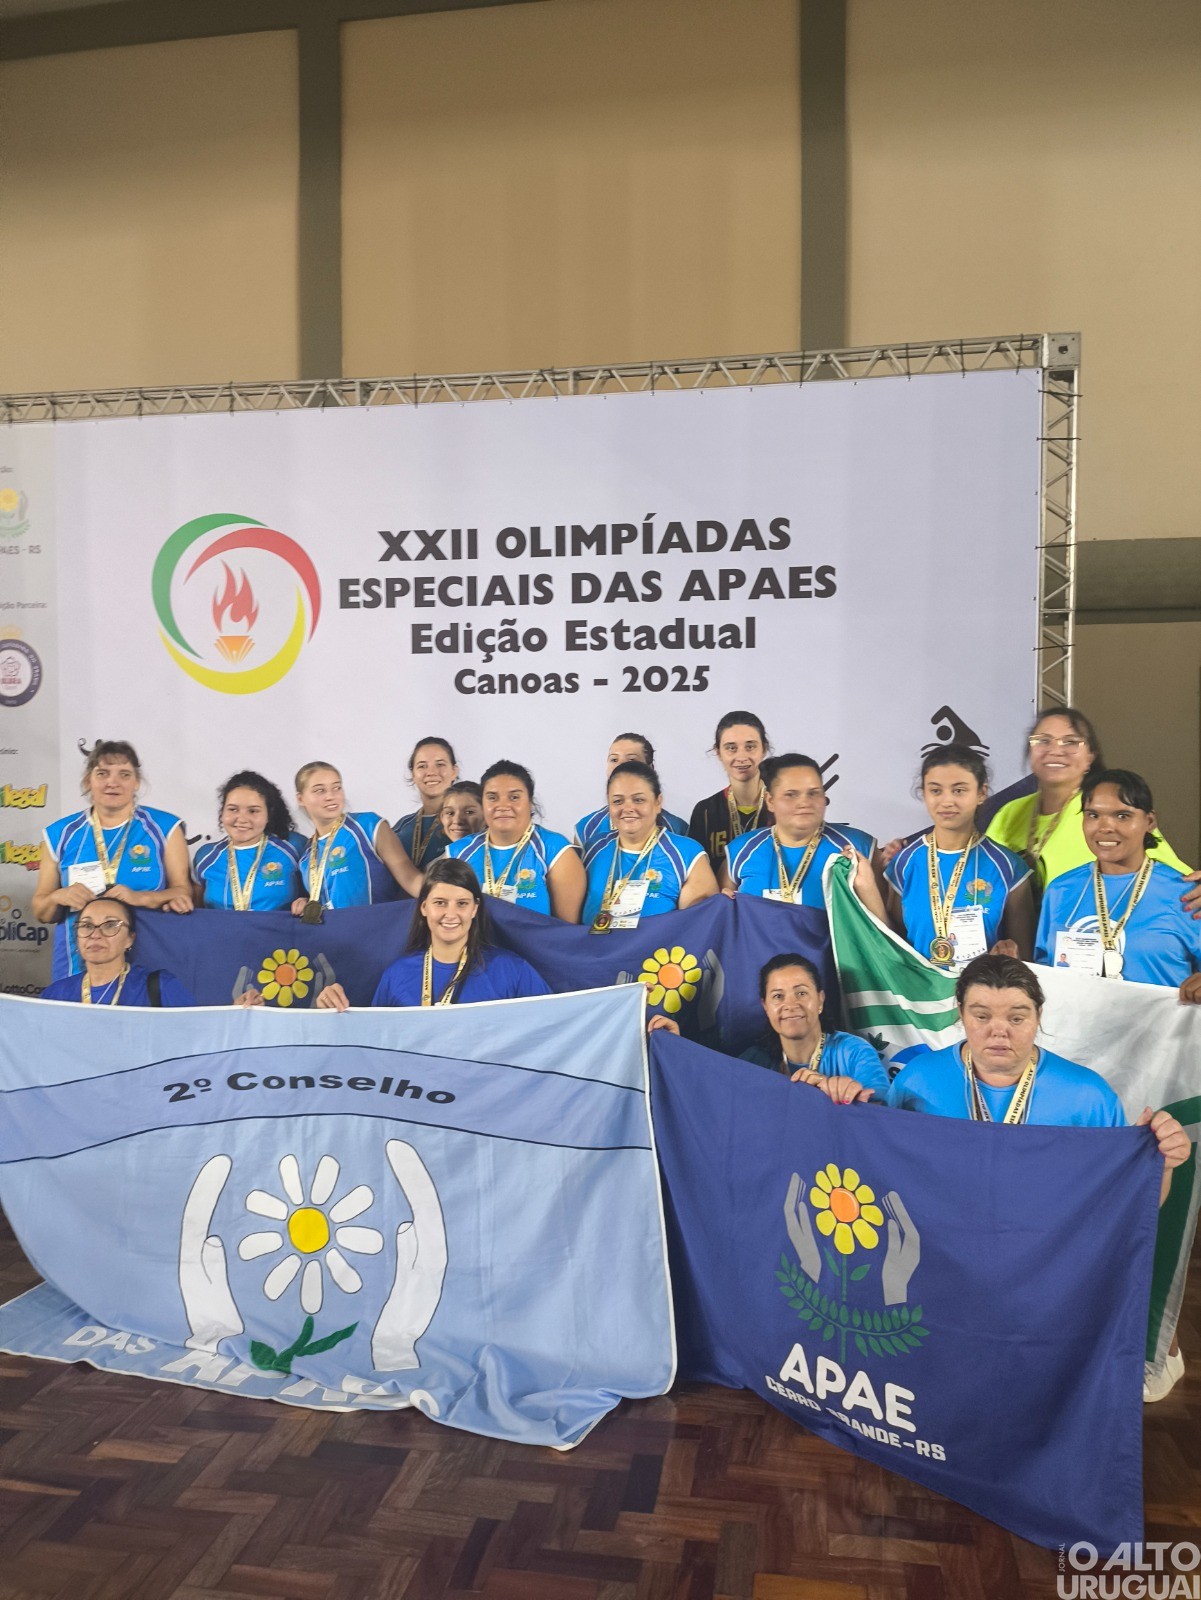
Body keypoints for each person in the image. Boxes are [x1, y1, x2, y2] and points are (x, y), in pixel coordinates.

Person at [985, 708, 1193, 895]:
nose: (1055, 750)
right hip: (1022, 933)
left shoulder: (1110, 807)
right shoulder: (1010, 813)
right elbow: (983, 872)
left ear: (1090, 757)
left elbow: (1174, 875)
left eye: (1070, 742)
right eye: (1043, 740)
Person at [33, 740, 193, 980]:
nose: (113, 782)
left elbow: (184, 892)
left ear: (136, 782)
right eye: (102, 773)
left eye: (124, 774)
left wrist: (141, 897)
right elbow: (41, 911)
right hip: (77, 963)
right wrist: (59, 896)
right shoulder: (59, 834)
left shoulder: (164, 828)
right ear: (89, 781)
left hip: (147, 955)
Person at [1035, 769, 1201, 997]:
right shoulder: (1060, 890)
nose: (1105, 827)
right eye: (1093, 815)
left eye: (1122, 816)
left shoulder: (1186, 895)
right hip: (1077, 1030)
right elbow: (1044, 976)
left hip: (1162, 1031)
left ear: (1149, 821)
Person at [315, 859, 549, 1008]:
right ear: (423, 907)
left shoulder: (512, 970)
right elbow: (376, 1046)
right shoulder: (397, 974)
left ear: (475, 909)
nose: (450, 914)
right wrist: (332, 1012)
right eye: (440, 902)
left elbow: (552, 1030)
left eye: (462, 903)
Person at [882, 745, 1034, 968]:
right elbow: (895, 946)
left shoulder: (1008, 867)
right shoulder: (904, 864)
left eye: (959, 790)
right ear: (923, 793)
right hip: (921, 999)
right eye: (935, 790)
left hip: (984, 997)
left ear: (981, 793)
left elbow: (1025, 958)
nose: (947, 801)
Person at [39, 893, 261, 1006]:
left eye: (110, 925)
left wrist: (236, 1012)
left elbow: (199, 1032)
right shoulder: (55, 995)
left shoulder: (158, 986)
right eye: (87, 926)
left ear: (129, 939)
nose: (96, 934)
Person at [721, 754, 874, 905]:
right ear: (770, 801)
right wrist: (723, 906)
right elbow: (721, 917)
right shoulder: (741, 850)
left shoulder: (859, 847)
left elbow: (885, 927)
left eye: (813, 793)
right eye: (791, 794)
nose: (804, 802)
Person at [581, 760, 716, 930]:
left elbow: (697, 928)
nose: (628, 808)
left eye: (638, 800)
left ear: (658, 802)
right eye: (617, 801)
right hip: (594, 953)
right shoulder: (591, 850)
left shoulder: (687, 854)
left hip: (656, 955)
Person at [448, 760, 585, 921]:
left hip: (533, 946)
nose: (503, 805)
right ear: (482, 804)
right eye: (492, 797)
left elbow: (566, 932)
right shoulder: (458, 852)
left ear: (530, 802)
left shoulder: (554, 850)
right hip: (477, 946)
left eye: (514, 797)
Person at [740, 954, 889, 1099]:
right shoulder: (752, 1062)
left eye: (801, 993)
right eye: (778, 996)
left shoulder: (855, 1052)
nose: (791, 1005)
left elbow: (883, 1113)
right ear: (765, 1006)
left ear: (820, 1000)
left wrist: (845, 1095)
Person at [290, 761, 422, 915]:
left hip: (376, 933)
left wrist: (446, 898)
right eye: (320, 790)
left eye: (337, 787)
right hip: (332, 937)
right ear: (300, 798)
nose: (331, 796)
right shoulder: (306, 856)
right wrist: (305, 902)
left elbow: (411, 879)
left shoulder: (368, 826)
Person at [193, 771, 302, 910]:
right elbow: (196, 911)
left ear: (269, 814)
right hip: (223, 932)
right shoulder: (205, 856)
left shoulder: (293, 846)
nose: (242, 819)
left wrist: (306, 901)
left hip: (279, 931)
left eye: (253, 811)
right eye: (233, 809)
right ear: (222, 813)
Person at [689, 711, 773, 872]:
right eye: (731, 748)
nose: (741, 756)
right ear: (718, 752)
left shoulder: (781, 805)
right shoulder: (705, 811)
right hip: (721, 896)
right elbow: (696, 872)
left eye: (750, 747)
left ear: (764, 749)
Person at [575, 733, 690, 848]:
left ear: (650, 768)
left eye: (631, 759)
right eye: (614, 759)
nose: (620, 765)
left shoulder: (678, 829)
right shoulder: (586, 829)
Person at [393, 737, 458, 869]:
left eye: (440, 764)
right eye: (422, 766)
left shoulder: (468, 822)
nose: (431, 772)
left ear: (454, 771)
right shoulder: (401, 828)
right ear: (413, 774)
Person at [439, 780, 484, 845]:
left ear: (486, 816)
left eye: (469, 812)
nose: (457, 821)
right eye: (450, 813)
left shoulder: (498, 854)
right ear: (442, 817)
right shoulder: (446, 854)